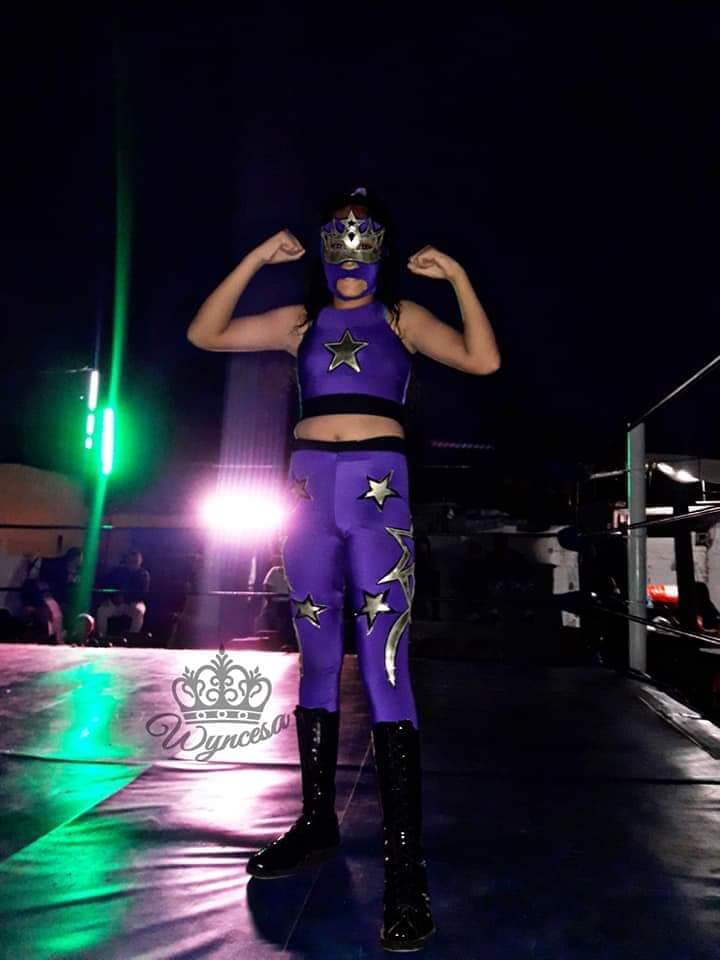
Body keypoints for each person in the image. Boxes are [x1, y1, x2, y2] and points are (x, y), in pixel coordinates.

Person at [187, 185, 501, 951]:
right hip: (305, 492)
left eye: (363, 237)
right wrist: (259, 256)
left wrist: (458, 276)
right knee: (317, 660)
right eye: (337, 236)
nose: (349, 252)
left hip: (377, 491)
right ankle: (316, 823)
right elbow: (205, 333)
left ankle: (405, 870)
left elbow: (483, 359)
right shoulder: (300, 321)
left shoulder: (400, 319)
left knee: (387, 667)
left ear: (382, 248)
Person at [95, 550, 150, 641]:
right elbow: (107, 584)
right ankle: (102, 637)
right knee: (102, 611)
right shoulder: (119, 571)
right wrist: (110, 598)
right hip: (116, 602)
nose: (132, 564)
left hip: (134, 603)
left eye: (135, 561)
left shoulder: (143, 575)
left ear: (140, 561)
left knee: (139, 612)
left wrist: (126, 598)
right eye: (130, 561)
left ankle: (131, 639)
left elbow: (142, 593)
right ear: (127, 560)